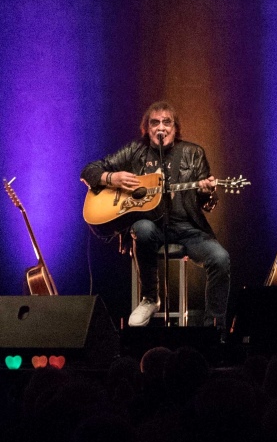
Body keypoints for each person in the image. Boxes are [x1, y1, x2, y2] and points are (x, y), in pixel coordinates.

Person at [82, 102, 230, 330]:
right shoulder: (134, 151)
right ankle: (151, 298)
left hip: (188, 229)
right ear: (147, 128)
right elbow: (88, 170)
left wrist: (207, 193)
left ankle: (214, 330)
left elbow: (207, 203)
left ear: (175, 127)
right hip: (152, 227)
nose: (161, 127)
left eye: (166, 122)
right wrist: (112, 178)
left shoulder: (193, 153)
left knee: (220, 259)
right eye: (155, 122)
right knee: (141, 228)